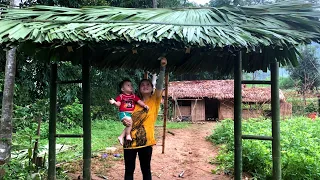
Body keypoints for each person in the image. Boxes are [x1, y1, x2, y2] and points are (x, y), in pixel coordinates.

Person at [122, 57, 167, 180]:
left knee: (146, 170)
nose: (145, 86)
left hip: (146, 142)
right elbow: (123, 113)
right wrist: (124, 120)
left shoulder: (155, 100)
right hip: (129, 141)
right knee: (129, 171)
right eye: (142, 85)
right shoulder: (133, 102)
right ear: (139, 89)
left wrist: (162, 69)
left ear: (152, 88)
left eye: (148, 84)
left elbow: (160, 84)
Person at [109, 79, 149, 145]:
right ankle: (127, 135)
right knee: (129, 121)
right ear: (122, 89)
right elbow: (118, 104)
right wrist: (114, 102)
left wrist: (144, 105)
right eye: (128, 85)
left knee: (130, 124)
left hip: (130, 114)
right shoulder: (121, 96)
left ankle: (121, 136)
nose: (131, 87)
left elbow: (139, 101)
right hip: (124, 113)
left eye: (131, 85)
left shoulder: (133, 96)